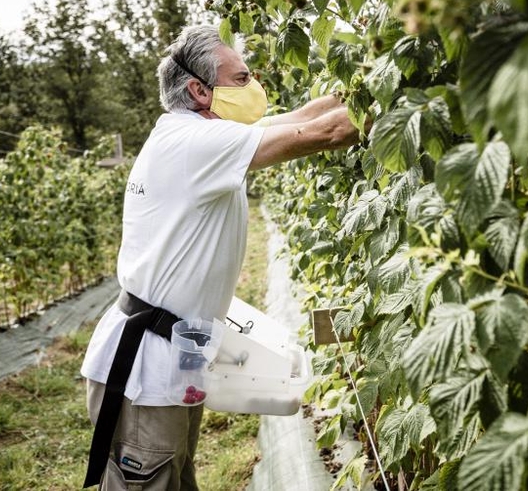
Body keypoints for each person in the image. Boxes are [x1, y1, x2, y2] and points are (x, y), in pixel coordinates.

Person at [79, 25, 363, 489]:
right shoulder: (197, 144)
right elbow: (326, 132)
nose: (253, 88)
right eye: (241, 79)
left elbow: (305, 115)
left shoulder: (196, 133)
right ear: (199, 90)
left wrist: (363, 81)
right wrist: (410, 90)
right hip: (145, 373)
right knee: (154, 475)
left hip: (173, 356)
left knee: (175, 475)